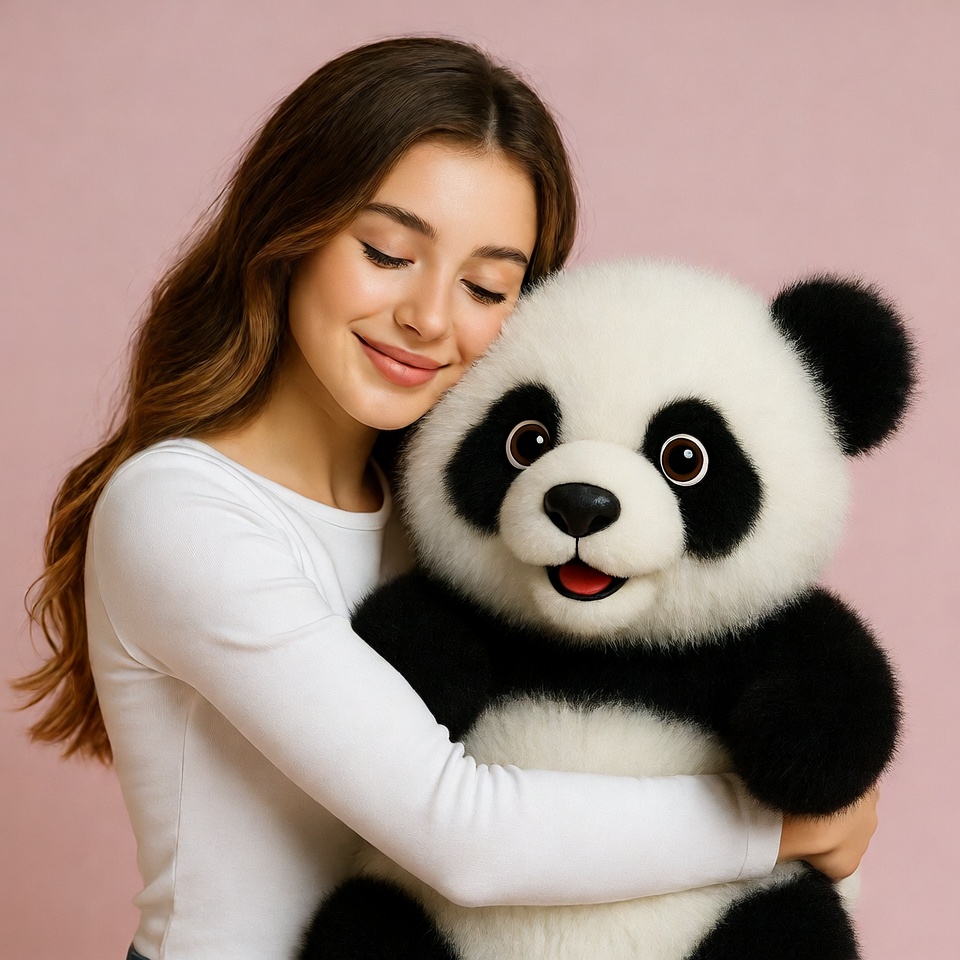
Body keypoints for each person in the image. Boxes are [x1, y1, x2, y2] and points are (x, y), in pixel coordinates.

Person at [15, 36, 879, 960]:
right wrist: (777, 830)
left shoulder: (457, 513)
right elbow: (458, 832)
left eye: (485, 285)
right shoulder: (181, 511)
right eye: (388, 252)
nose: (430, 318)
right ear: (289, 230)